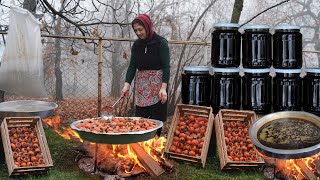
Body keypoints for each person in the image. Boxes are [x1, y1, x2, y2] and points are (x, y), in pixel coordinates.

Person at [121, 14, 170, 136]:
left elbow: (166, 67)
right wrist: (127, 85)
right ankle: (140, 147)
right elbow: (132, 66)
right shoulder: (137, 46)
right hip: (142, 88)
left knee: (156, 120)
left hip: (158, 87)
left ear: (147, 27)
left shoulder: (161, 43)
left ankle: (155, 145)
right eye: (135, 30)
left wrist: (163, 88)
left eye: (140, 29)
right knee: (141, 121)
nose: (138, 33)